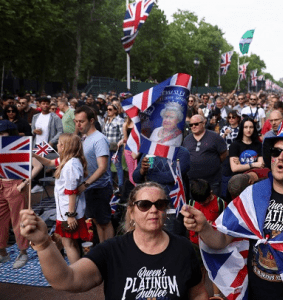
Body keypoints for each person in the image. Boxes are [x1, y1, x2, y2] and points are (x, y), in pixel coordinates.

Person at [181, 118, 283, 299]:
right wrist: (204, 227)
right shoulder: (253, 195)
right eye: (276, 151)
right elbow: (221, 240)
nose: (280, 157)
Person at [19, 182, 208, 300]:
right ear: (131, 212)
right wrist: (43, 244)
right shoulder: (111, 250)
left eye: (159, 204)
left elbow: (197, 292)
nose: (153, 210)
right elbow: (67, 280)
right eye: (144, 205)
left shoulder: (184, 248)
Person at [33, 133, 89, 263]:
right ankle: (78, 270)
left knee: (68, 244)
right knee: (72, 243)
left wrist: (70, 215)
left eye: (59, 143)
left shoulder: (70, 165)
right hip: (67, 210)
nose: (57, 145)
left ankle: (76, 273)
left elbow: (72, 191)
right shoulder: (68, 160)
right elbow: (49, 162)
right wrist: (35, 155)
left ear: (64, 147)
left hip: (68, 212)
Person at [74, 106, 113, 243]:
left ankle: (109, 251)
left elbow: (102, 167)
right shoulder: (85, 138)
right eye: (76, 121)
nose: (78, 124)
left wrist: (86, 184)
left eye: (81, 121)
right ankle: (103, 251)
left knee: (104, 222)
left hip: (99, 187)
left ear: (91, 121)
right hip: (91, 187)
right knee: (97, 221)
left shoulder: (99, 139)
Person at [0, 120, 30, 269]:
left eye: (2, 133)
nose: (0, 136)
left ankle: (23, 252)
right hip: (1, 185)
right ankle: (2, 252)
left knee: (18, 220)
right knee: (1, 221)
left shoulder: (20, 146)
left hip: (16, 184)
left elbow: (37, 166)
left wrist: (23, 184)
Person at [182, 115, 227, 196]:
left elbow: (223, 154)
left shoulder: (215, 137)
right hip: (193, 182)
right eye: (191, 125)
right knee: (195, 206)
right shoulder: (187, 139)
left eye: (196, 124)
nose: (193, 126)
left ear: (203, 123)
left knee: (213, 206)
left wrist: (213, 162)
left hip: (212, 182)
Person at [103, 103, 125, 192]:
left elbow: (123, 135)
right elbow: (104, 134)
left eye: (110, 109)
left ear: (115, 110)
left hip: (116, 147)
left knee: (118, 166)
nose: (108, 111)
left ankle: (120, 186)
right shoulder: (107, 120)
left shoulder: (120, 120)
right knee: (107, 167)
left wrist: (120, 143)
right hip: (106, 147)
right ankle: (110, 186)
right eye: (107, 109)